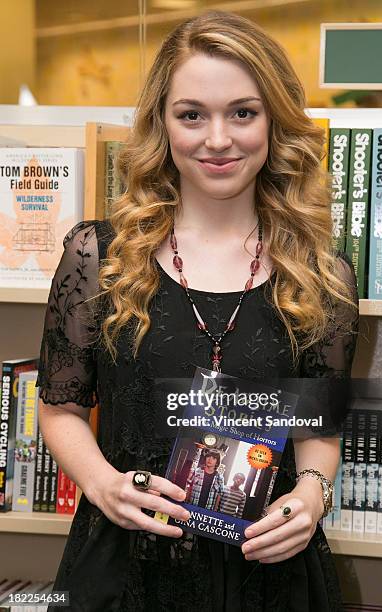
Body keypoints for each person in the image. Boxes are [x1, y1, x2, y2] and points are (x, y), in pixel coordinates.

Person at [37, 10, 359, 612]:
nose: (217, 139)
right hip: (126, 565)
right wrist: (104, 485)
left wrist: (312, 495)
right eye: (192, 115)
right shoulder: (98, 256)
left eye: (243, 112)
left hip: (270, 570)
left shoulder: (324, 275)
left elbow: (318, 427)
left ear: (275, 123)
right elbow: (60, 410)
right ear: (163, 124)